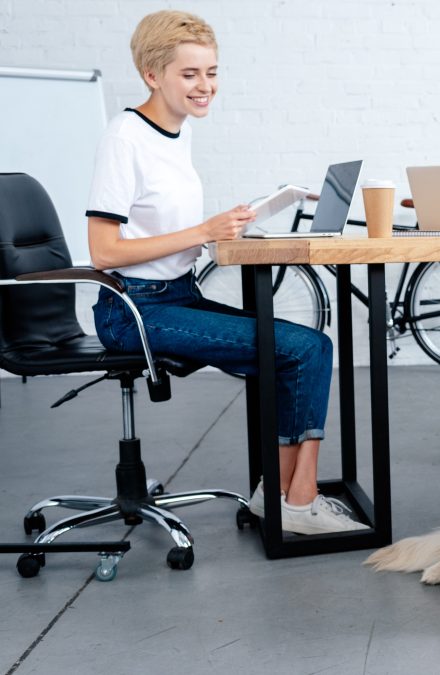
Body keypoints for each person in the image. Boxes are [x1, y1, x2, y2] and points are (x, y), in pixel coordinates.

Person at [86, 10, 363, 535]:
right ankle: (294, 501)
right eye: (190, 74)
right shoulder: (126, 136)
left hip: (176, 294)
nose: (205, 86)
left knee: (308, 347)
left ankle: (282, 496)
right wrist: (203, 231)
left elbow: (158, 226)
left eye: (211, 72)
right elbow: (103, 251)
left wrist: (237, 221)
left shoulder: (175, 133)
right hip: (135, 310)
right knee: (303, 350)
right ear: (152, 75)